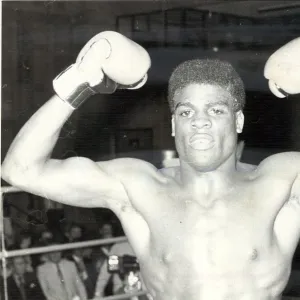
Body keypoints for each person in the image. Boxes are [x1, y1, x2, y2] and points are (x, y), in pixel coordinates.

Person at [2, 30, 300, 300]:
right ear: (173, 124)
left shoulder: (281, 182)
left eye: (216, 109)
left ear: (237, 121)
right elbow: (20, 170)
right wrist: (80, 81)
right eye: (185, 112)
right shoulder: (137, 186)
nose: (199, 121)